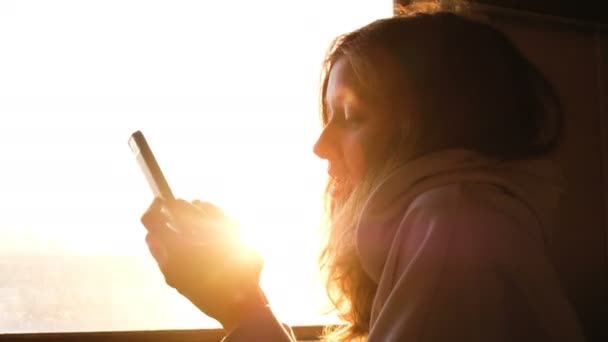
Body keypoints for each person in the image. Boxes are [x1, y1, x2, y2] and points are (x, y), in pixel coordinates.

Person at [140, 1, 587, 341]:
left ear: (432, 125)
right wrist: (244, 302)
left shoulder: (453, 226)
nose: (320, 145)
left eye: (351, 117)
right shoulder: (455, 219)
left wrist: (241, 309)